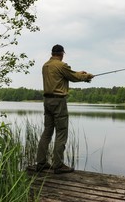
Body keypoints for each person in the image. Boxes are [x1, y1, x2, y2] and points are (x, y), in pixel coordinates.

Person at [35, 44, 94, 174]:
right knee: (61, 132)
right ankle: (58, 165)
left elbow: (69, 75)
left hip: (47, 101)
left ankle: (41, 163)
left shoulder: (45, 65)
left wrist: (80, 74)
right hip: (58, 101)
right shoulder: (61, 65)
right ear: (62, 54)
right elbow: (73, 77)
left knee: (47, 132)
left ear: (52, 53)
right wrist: (87, 76)